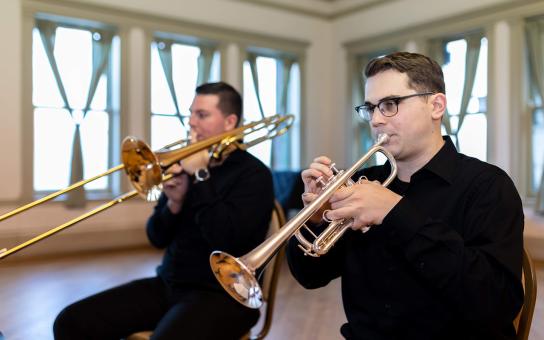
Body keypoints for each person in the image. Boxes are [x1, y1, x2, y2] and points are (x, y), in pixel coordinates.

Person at [287, 52, 524, 340]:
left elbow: (497, 303)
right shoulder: (364, 182)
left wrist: (395, 212)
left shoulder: (488, 186)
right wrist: (314, 220)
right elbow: (310, 277)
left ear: (436, 106)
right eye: (370, 108)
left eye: (389, 105)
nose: (375, 120)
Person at [54, 82, 275, 340]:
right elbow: (156, 237)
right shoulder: (181, 166)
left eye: (201, 115)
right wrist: (174, 203)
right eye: (191, 113)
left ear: (229, 122)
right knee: (70, 321)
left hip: (225, 297)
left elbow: (226, 239)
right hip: (169, 286)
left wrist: (201, 176)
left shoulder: (255, 175)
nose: (191, 122)